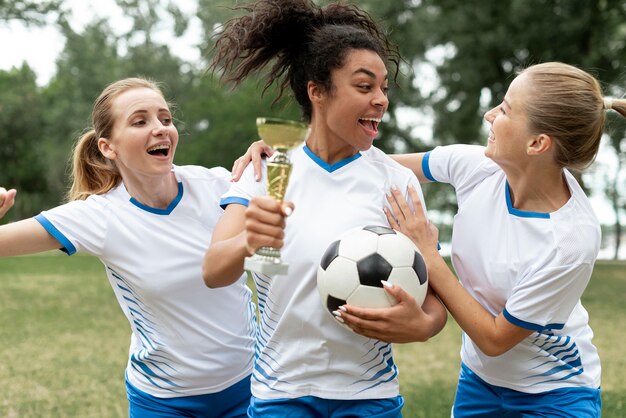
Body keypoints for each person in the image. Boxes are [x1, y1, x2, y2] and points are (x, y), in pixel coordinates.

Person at [203, 0, 448, 417]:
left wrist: (423, 326)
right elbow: (213, 271)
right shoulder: (268, 171)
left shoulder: (396, 182)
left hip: (370, 396)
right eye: (365, 86)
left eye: (384, 88)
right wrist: (250, 239)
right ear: (317, 91)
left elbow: (434, 297)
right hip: (280, 394)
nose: (381, 100)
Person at [341, 62, 626, 417]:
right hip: (479, 383)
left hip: (555, 394)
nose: (490, 115)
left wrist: (429, 256)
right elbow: (369, 163)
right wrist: (286, 152)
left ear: (537, 143)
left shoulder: (570, 241)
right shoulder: (476, 167)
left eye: (505, 109)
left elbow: (494, 339)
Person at [0, 77, 257, 418]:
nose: (160, 129)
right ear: (108, 147)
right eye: (140, 121)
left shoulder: (221, 187)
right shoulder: (98, 216)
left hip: (250, 386)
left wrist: (269, 160)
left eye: (165, 119)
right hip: (163, 401)